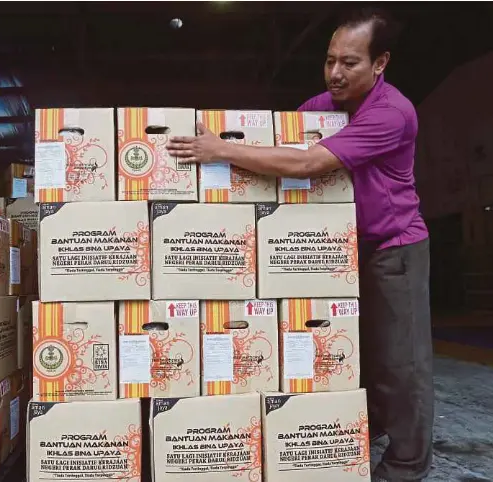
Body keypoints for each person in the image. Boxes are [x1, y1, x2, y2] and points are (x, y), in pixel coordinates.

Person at [166, 8, 433, 482]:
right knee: (354, 355)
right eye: (330, 60)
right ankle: (347, 441)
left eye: (350, 63)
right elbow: (274, 145)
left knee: (401, 364)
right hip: (339, 252)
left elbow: (308, 164)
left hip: (395, 248)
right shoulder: (318, 109)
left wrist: (220, 151)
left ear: (380, 63)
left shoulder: (391, 113)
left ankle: (406, 466)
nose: (335, 72)